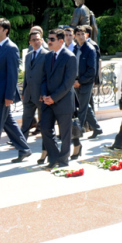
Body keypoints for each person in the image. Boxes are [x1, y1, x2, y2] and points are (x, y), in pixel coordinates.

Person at [0, 18, 31, 163]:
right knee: (7, 122)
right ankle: (24, 149)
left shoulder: (11, 48)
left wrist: (9, 96)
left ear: (6, 30)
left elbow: (12, 74)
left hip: (3, 95)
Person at [40, 29, 78, 169]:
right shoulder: (48, 56)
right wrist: (44, 95)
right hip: (47, 101)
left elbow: (68, 83)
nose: (49, 42)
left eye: (52, 39)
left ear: (61, 41)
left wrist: (54, 98)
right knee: (44, 128)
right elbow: (43, 78)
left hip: (63, 102)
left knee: (65, 133)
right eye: (49, 39)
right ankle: (54, 156)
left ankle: (63, 160)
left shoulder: (69, 57)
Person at [72, 26, 98, 150]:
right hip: (76, 81)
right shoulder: (75, 48)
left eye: (83, 33)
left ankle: (78, 132)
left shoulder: (90, 49)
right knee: (85, 105)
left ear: (86, 35)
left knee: (81, 108)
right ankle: (97, 128)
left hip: (85, 82)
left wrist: (80, 81)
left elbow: (92, 70)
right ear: (75, 36)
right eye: (78, 34)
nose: (81, 36)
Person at [21, 31, 47, 141]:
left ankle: (48, 142)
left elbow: (47, 76)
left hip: (40, 94)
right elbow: (27, 75)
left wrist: (44, 93)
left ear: (41, 40)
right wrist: (23, 92)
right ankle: (21, 143)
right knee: (26, 119)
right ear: (30, 42)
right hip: (28, 94)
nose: (36, 42)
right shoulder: (28, 56)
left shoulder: (47, 55)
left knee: (45, 120)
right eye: (33, 40)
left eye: (38, 39)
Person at [84, 25, 103, 139]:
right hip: (86, 80)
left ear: (87, 34)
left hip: (89, 80)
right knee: (86, 104)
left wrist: (95, 80)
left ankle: (94, 127)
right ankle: (92, 127)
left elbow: (95, 64)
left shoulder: (92, 45)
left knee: (87, 104)